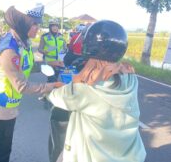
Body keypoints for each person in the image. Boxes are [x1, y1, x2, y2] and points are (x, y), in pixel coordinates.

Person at [47, 20, 146, 162]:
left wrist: (55, 87)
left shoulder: (84, 89)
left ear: (89, 48)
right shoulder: (131, 79)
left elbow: (56, 97)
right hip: (132, 156)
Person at [0, 4, 64, 162]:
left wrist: (51, 63)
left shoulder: (23, 43)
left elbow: (26, 66)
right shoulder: (9, 50)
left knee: (4, 150)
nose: (38, 29)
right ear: (23, 24)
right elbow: (22, 85)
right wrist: (53, 86)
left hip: (8, 109)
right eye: (35, 24)